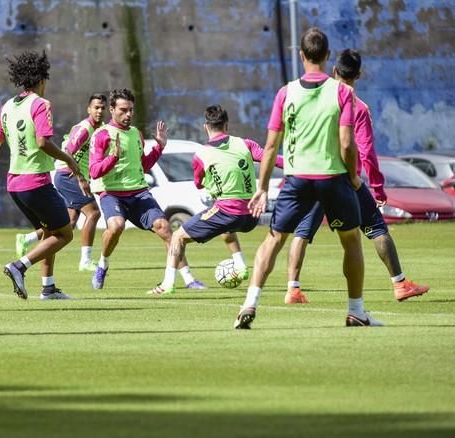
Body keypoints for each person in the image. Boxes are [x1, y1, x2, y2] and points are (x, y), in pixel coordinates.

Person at [235, 27, 382, 329]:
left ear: (301, 56)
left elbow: (271, 145)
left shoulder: (285, 93)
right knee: (351, 240)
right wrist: (354, 177)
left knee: (274, 240)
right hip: (333, 177)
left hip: (297, 179)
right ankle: (356, 311)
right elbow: (346, 142)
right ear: (328, 57)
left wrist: (261, 189)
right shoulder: (343, 92)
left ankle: (250, 302)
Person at [284, 49, 429, 305]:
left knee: (302, 232)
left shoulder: (314, 99)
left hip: (310, 173)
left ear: (334, 71)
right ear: (359, 74)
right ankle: (399, 284)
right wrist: (377, 187)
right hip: (343, 179)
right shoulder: (356, 106)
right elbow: (366, 151)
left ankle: (292, 289)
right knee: (375, 228)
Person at [0, 50, 85, 300]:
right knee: (64, 234)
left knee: (47, 232)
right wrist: (68, 159)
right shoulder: (41, 105)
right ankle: (19, 266)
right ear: (42, 79)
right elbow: (43, 142)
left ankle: (48, 288)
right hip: (36, 182)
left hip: (15, 185)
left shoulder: (8, 106)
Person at [148, 105, 283, 295]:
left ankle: (167, 284)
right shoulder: (245, 144)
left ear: (205, 127)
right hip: (251, 216)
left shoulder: (201, 154)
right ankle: (240, 265)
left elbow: (198, 183)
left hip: (227, 212)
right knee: (226, 228)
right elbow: (271, 158)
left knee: (178, 237)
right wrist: (295, 165)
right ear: (226, 125)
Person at [88, 88, 204, 290]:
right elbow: (94, 171)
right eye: (123, 110)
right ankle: (102, 264)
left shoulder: (136, 135)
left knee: (166, 228)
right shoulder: (102, 135)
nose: (128, 114)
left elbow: (143, 166)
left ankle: (189, 279)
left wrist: (159, 147)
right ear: (112, 109)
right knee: (116, 226)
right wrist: (112, 158)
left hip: (139, 192)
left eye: (131, 110)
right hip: (112, 193)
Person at [53, 93, 106, 271]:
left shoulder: (101, 128)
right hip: (67, 175)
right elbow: (67, 151)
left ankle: (28, 239)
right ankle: (86, 261)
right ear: (88, 109)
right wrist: (80, 177)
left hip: (71, 175)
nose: (99, 111)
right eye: (96, 107)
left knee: (69, 222)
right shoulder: (84, 128)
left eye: (102, 108)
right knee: (93, 214)